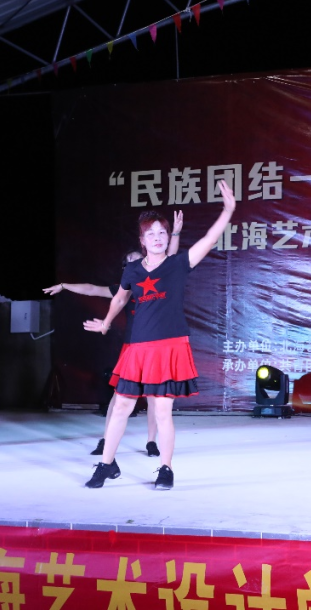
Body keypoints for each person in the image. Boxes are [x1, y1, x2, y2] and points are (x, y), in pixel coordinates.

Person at [83, 182, 235, 490]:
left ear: (168, 237)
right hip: (138, 348)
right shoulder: (133, 270)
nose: (157, 237)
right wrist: (106, 323)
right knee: (121, 406)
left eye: (162, 233)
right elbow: (120, 299)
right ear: (142, 240)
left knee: (163, 412)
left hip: (169, 346)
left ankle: (166, 469)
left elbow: (209, 238)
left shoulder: (178, 264)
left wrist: (228, 210)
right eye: (150, 233)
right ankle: (107, 464)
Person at [44, 212, 182, 461]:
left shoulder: (162, 278)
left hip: (156, 345)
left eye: (137, 259)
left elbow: (171, 257)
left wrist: (175, 233)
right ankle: (107, 440)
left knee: (156, 399)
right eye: (128, 262)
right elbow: (91, 289)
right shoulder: (123, 289)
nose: (133, 264)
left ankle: (151, 442)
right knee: (119, 399)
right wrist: (64, 286)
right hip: (132, 346)